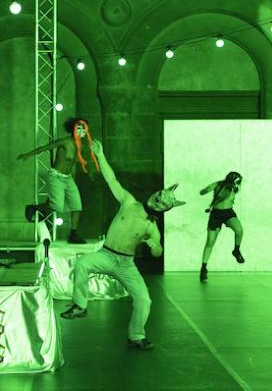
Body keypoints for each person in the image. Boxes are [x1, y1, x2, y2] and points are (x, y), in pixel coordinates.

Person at [60, 139, 185, 350]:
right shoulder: (129, 202)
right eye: (158, 196)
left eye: (162, 202)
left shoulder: (151, 226)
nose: (157, 200)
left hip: (126, 264)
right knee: (82, 264)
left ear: (164, 209)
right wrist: (100, 155)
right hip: (106, 255)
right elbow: (111, 179)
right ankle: (80, 305)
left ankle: (136, 336)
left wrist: (154, 246)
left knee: (144, 300)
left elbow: (158, 251)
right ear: (155, 194)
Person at [17, 118, 97, 244]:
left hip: (68, 178)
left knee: (77, 206)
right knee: (57, 206)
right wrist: (27, 155)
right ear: (73, 129)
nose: (82, 131)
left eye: (84, 129)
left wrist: (88, 165)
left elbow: (73, 159)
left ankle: (73, 235)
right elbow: (45, 148)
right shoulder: (65, 141)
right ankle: (34, 207)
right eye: (79, 128)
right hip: (55, 177)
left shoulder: (78, 145)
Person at [199, 171, 245, 282]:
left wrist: (234, 186)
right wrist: (206, 190)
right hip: (216, 214)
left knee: (239, 230)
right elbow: (203, 191)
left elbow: (232, 192)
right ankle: (204, 268)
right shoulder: (218, 185)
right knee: (210, 241)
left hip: (228, 213)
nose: (239, 184)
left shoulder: (234, 188)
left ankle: (236, 250)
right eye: (237, 181)